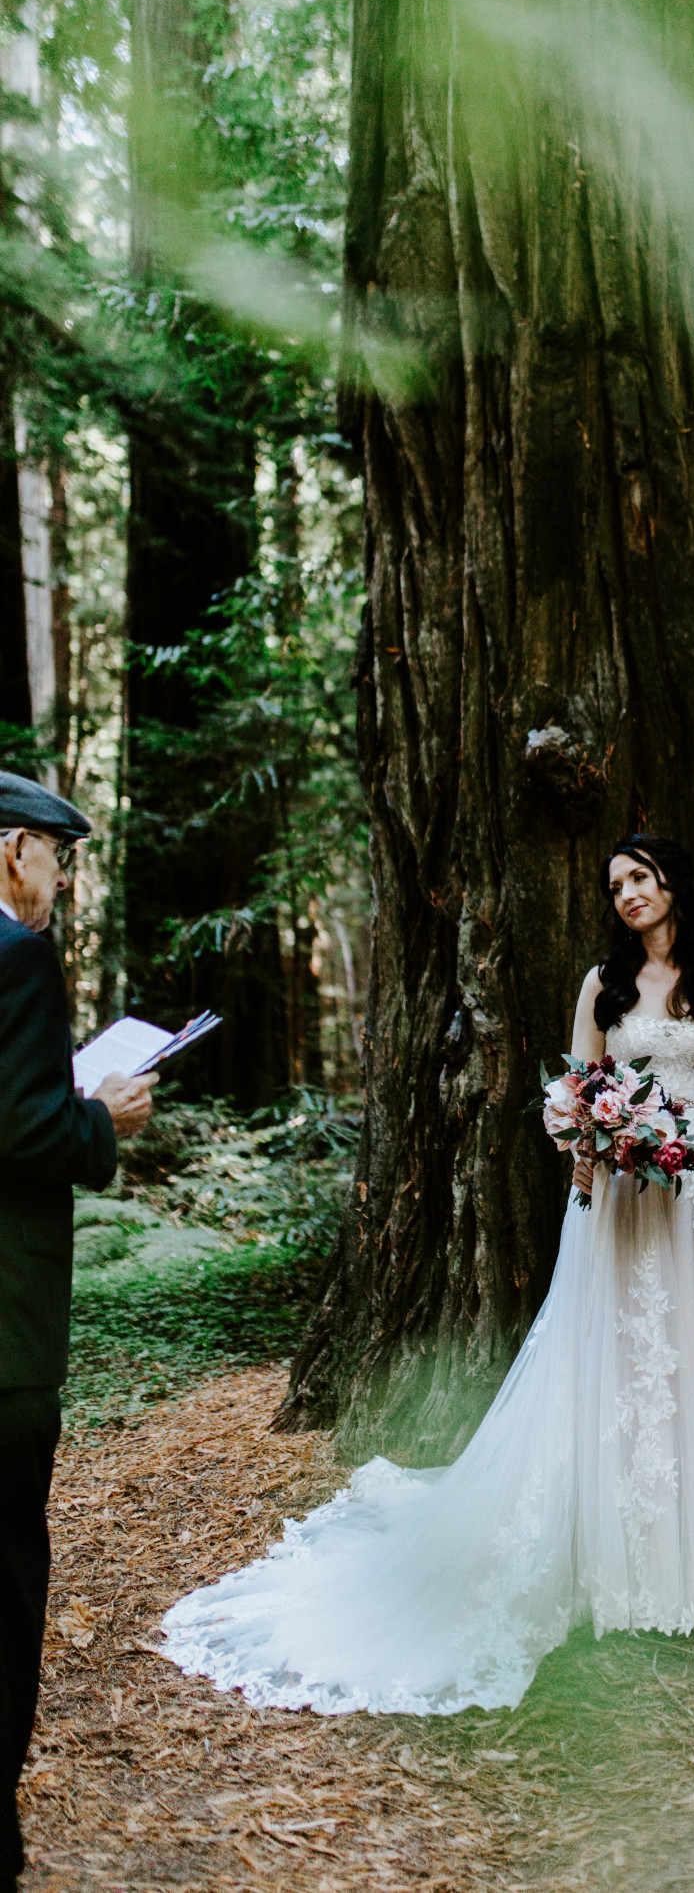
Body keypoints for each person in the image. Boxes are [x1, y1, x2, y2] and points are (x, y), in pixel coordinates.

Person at [161, 833, 694, 1714]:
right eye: (615, 885)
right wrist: (600, 1142)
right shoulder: (601, 986)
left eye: (640, 878)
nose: (628, 895)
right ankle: (620, 1561)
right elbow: (570, 1096)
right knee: (623, 1357)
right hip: (623, 1192)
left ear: (672, 882)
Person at [0, 773, 156, 1893]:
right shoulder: (15, 956)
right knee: (7, 1568)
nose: (63, 877)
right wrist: (102, 1115)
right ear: (16, 852)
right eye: (59, 856)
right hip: (3, 1330)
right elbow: (23, 1130)